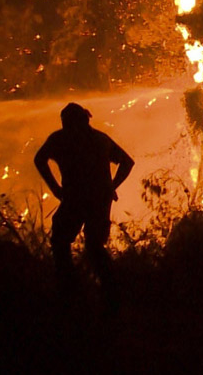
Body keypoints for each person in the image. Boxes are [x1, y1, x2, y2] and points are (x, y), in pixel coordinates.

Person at [34, 102, 134, 295]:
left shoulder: (61, 139)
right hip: (98, 199)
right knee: (94, 246)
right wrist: (111, 187)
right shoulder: (99, 139)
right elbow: (127, 162)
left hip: (75, 198)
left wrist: (55, 188)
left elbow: (39, 159)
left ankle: (70, 288)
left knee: (61, 241)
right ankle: (110, 291)